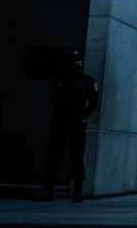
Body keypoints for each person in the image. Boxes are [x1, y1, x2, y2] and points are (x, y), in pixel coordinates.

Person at [36, 47, 100, 202]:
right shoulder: (60, 80)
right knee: (54, 159)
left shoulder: (87, 81)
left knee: (76, 158)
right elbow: (52, 100)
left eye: (76, 60)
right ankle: (47, 190)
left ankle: (77, 191)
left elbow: (93, 102)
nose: (74, 64)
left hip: (75, 124)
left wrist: (82, 115)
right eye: (71, 60)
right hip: (60, 123)